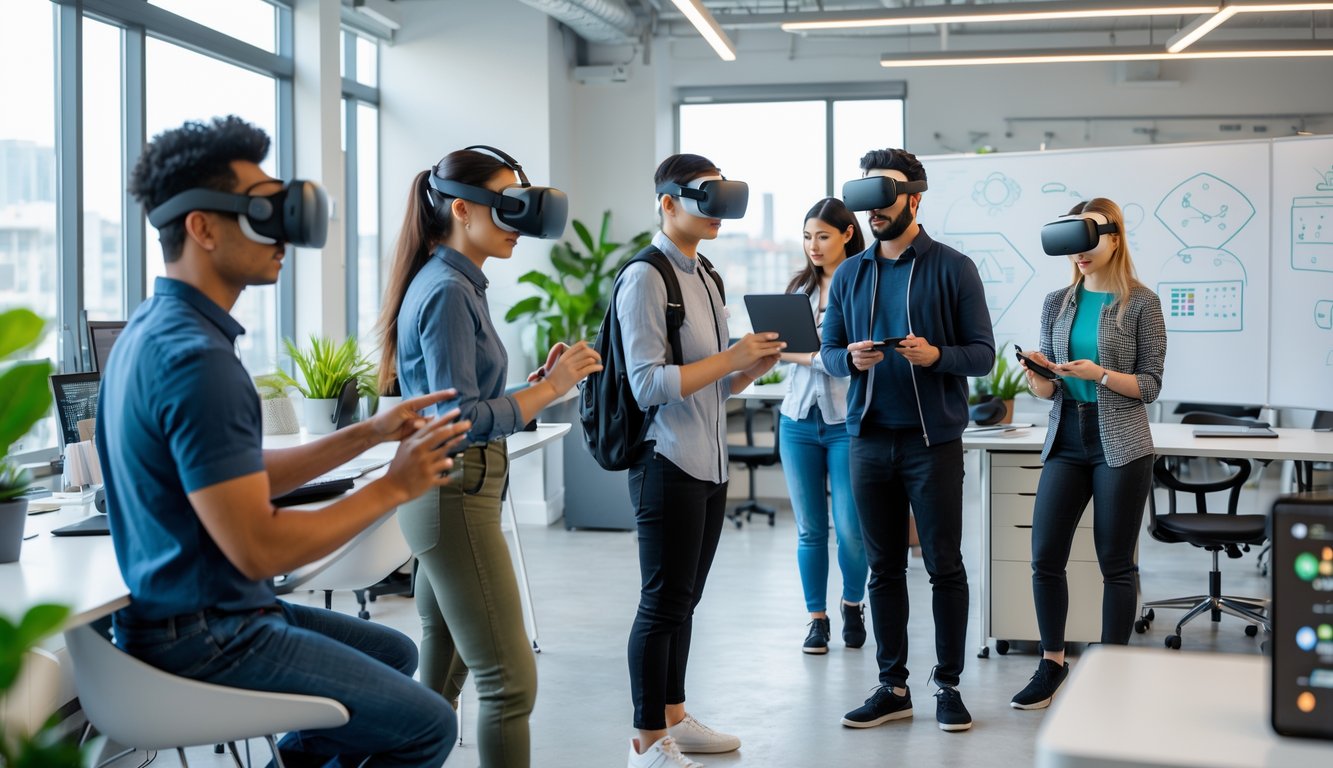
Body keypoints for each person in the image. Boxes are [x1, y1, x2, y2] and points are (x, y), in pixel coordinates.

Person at [104, 115, 467, 767]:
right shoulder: (198, 361)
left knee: (396, 651)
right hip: (210, 631)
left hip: (181, 615)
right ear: (202, 227)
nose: (284, 237)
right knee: (426, 725)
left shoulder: (152, 331)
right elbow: (256, 547)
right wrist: (393, 485)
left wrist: (367, 434)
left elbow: (231, 475)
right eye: (262, 213)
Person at [378, 146, 601, 768]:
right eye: (506, 208)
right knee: (510, 684)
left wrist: (534, 388)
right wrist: (548, 393)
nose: (517, 226)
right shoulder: (449, 290)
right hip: (455, 498)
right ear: (460, 209)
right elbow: (458, 420)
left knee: (442, 679)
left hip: (453, 496)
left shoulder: (452, 282)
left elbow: (465, 400)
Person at [618, 154, 785, 768]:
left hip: (709, 462)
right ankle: (644, 742)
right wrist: (732, 354)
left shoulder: (707, 275)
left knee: (686, 599)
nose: (716, 212)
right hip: (667, 459)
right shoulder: (646, 277)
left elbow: (709, 383)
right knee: (661, 600)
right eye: (703, 198)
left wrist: (748, 368)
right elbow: (646, 384)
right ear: (667, 202)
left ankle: (675, 719)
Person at [822, 147, 995, 733]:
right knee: (883, 569)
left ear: (914, 199)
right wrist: (849, 356)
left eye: (884, 195)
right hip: (868, 440)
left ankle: (947, 684)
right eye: (864, 196)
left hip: (932, 442)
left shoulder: (953, 267)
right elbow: (828, 352)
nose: (872, 209)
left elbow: (983, 354)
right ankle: (892, 686)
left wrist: (937, 355)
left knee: (944, 565)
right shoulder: (849, 273)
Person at [1010, 198, 1166, 710]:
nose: (1079, 256)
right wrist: (1039, 377)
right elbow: (1051, 391)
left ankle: (1112, 674)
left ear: (1114, 239)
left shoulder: (1141, 302)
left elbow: (1149, 385)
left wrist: (1096, 373)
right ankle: (1052, 663)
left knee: (1115, 563)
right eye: (1071, 247)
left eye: (1088, 243)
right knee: (1044, 558)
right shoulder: (1057, 301)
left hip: (1120, 441)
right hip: (1067, 438)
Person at [776, 197, 869, 655]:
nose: (814, 245)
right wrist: (821, 356)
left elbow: (853, 364)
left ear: (847, 234)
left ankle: (853, 603)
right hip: (797, 419)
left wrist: (815, 355)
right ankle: (817, 618)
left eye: (824, 236)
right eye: (808, 236)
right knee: (810, 529)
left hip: (846, 422)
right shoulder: (799, 289)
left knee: (851, 528)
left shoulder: (865, 286)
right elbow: (779, 350)